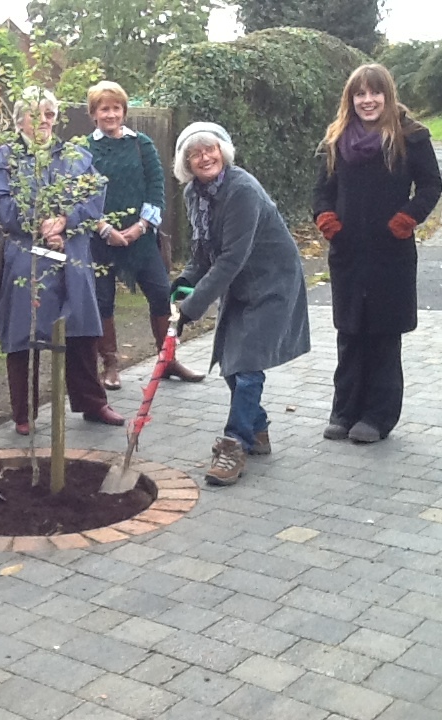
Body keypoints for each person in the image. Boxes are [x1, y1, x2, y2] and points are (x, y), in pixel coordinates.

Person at [172, 122, 310, 486]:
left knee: (247, 365)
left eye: (210, 149)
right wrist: (185, 283)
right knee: (232, 364)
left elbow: (231, 258)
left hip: (272, 281)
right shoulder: (194, 195)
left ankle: (234, 445)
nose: (204, 157)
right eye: (195, 153)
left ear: (223, 151)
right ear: (186, 162)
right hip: (241, 283)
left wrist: (193, 307)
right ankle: (257, 429)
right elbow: (204, 252)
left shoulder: (242, 190)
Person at [0, 87, 126, 435]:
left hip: (72, 254)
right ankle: (24, 413)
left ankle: (92, 402)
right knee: (25, 332)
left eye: (50, 114)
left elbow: (95, 197)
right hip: (25, 257)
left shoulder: (76, 156)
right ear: (20, 119)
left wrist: (66, 219)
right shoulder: (4, 159)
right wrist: (41, 224)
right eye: (36, 113)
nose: (44, 120)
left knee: (80, 330)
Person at [313, 63, 442, 444]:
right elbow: (321, 191)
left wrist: (407, 219)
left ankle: (377, 416)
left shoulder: (410, 137)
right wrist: (327, 220)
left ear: (387, 95)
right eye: (360, 94)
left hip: (391, 252)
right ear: (350, 99)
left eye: (374, 93)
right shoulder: (335, 139)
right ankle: (345, 410)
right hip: (348, 252)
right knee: (350, 331)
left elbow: (432, 185)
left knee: (383, 333)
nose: (367, 101)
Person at [85, 81, 203, 389]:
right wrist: (105, 229)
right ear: (94, 114)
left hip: (143, 239)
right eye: (103, 108)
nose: (110, 114)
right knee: (103, 301)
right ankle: (110, 365)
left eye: (116, 108)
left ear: (124, 111)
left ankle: (168, 360)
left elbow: (156, 188)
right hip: (101, 241)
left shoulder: (142, 144)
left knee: (162, 295)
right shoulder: (84, 149)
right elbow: (79, 196)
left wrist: (140, 227)